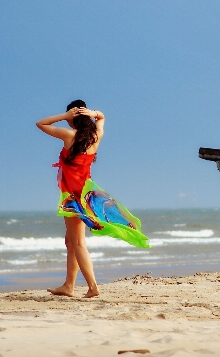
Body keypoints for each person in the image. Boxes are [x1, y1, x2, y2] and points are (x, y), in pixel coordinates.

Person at [37, 100, 149, 298]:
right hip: (87, 195)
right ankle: (69, 286)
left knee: (78, 243)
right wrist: (93, 113)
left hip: (73, 198)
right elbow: (102, 117)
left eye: (70, 117)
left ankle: (93, 286)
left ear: (73, 119)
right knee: (71, 242)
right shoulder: (96, 136)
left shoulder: (69, 135)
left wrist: (64, 117)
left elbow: (41, 124)